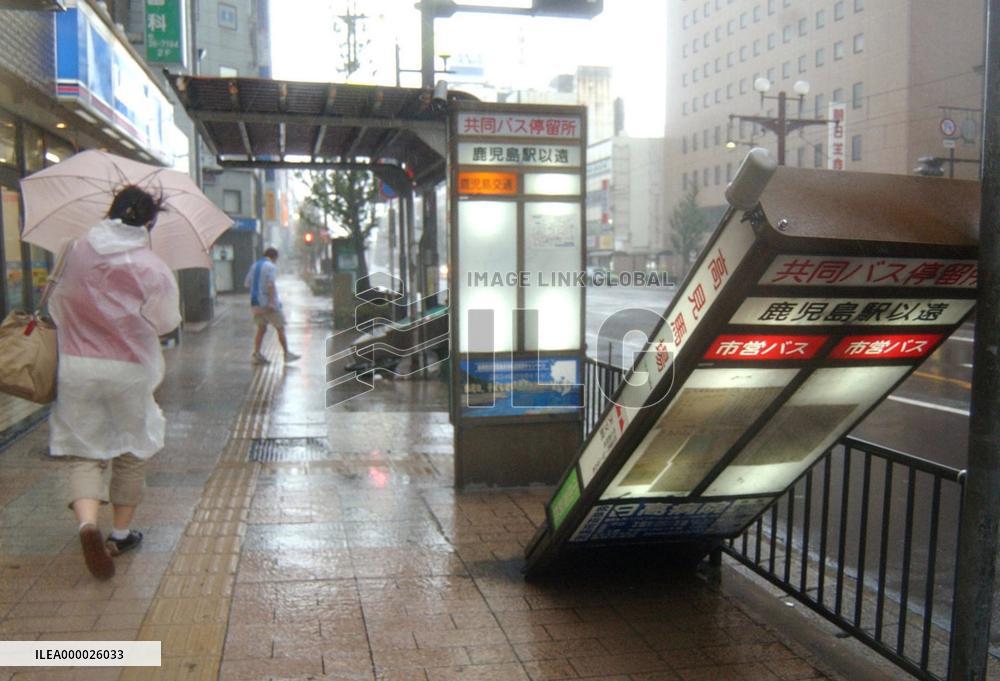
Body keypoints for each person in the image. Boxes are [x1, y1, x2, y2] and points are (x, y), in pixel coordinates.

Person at [48, 185, 181, 580]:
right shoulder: (151, 266)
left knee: (84, 453)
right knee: (131, 449)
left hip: (77, 365)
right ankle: (120, 535)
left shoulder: (73, 250)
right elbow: (167, 322)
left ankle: (87, 524)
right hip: (129, 369)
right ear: (148, 223)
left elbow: (56, 303)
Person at [244, 247, 300, 364]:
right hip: (268, 303)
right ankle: (286, 354)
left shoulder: (254, 266)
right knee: (280, 327)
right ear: (274, 257)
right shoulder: (270, 267)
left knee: (261, 328)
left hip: (255, 302)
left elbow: (247, 284)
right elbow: (270, 284)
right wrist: (271, 302)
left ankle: (256, 354)